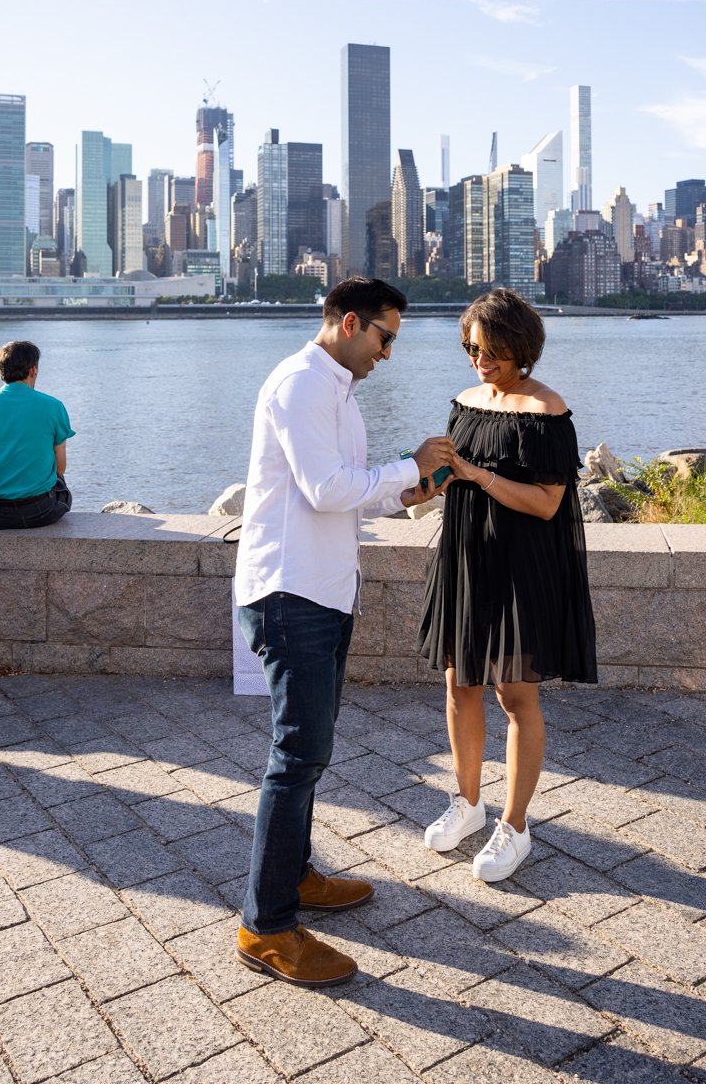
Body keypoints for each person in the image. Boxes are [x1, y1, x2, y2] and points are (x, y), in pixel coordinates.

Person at [234, 276, 457, 987]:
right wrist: (407, 466)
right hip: (289, 590)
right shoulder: (301, 384)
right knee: (296, 756)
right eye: (385, 337)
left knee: (308, 751)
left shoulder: (335, 389)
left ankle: (295, 878)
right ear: (351, 322)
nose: (388, 353)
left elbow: (347, 490)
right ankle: (265, 928)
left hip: (323, 588)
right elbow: (325, 488)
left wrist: (414, 487)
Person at [416, 288, 596, 883]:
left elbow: (547, 505)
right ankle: (468, 804)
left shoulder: (547, 411)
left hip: (523, 564)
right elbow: (448, 477)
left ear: (520, 346)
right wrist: (422, 481)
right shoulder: (466, 401)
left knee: (515, 697)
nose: (479, 360)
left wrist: (474, 473)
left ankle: (516, 827)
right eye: (471, 348)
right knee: (459, 684)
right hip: (467, 557)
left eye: (490, 349)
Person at [0, 341, 74, 529]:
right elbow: (60, 468)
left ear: (0, 372)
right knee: (59, 482)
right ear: (33, 370)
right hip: (38, 512)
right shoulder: (53, 406)